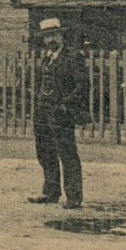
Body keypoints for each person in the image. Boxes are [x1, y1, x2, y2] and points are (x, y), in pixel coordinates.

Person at [28, 17, 86, 209]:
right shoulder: (46, 59)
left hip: (61, 111)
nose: (50, 40)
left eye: (53, 35)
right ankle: (50, 192)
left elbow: (82, 85)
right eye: (46, 37)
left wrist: (65, 104)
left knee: (67, 153)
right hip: (43, 111)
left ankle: (74, 197)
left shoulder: (73, 57)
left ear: (60, 35)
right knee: (45, 151)